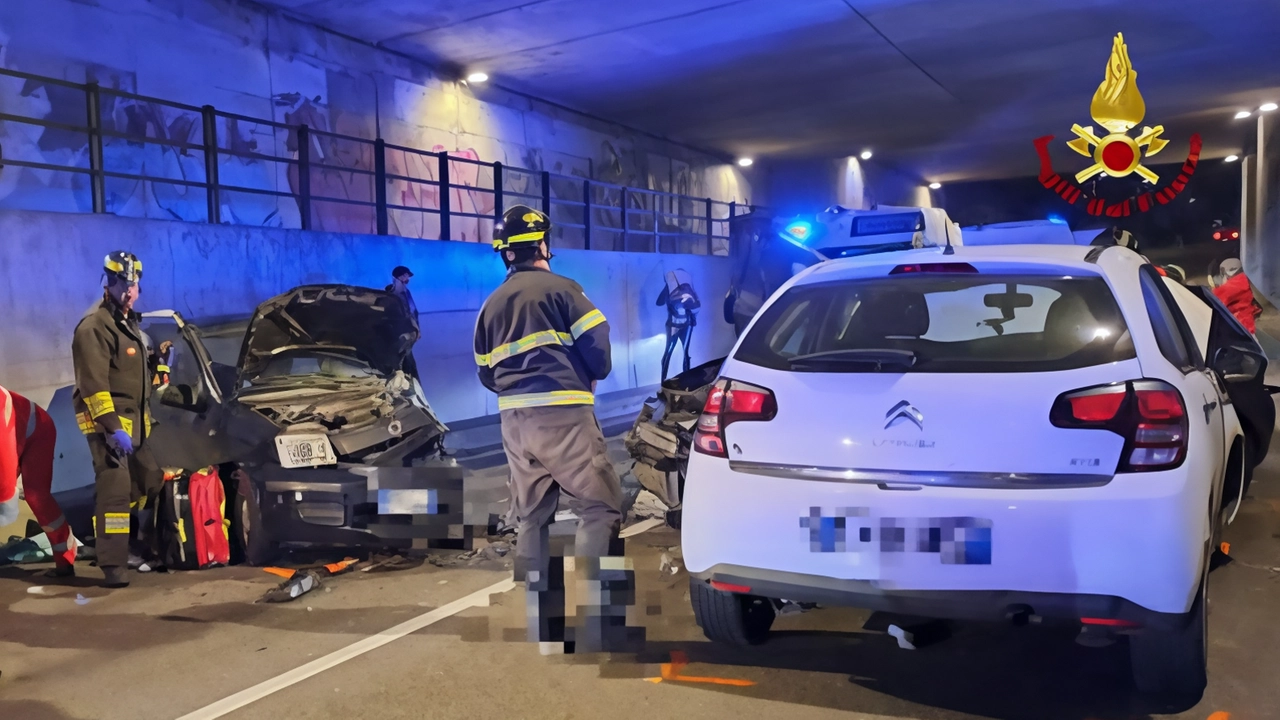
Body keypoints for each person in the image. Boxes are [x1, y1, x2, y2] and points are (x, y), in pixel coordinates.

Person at [473, 204, 628, 654]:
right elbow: (597, 342)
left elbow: (485, 371)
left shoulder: (490, 306)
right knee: (599, 509)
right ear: (543, 244)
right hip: (564, 413)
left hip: (516, 424)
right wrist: (589, 373)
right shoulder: (563, 289)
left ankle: (546, 632)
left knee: (532, 518)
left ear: (504, 253)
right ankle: (603, 629)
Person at [72, 251, 163, 588]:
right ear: (108, 282)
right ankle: (113, 566)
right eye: (122, 282)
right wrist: (111, 429)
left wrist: (160, 363)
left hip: (135, 423)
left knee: (150, 478)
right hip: (106, 424)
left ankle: (133, 546)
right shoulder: (94, 326)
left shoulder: (129, 323)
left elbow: (137, 374)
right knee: (115, 492)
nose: (128, 289)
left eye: (133, 283)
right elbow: (93, 386)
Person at [0, 386, 77, 576]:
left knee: (37, 497)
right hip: (18, 433)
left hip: (37, 432)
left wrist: (6, 502)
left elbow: (4, 459)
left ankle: (65, 558)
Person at [657, 270, 700, 380]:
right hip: (685, 324)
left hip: (675, 324)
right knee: (683, 353)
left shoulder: (672, 288)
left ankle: (664, 383)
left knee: (669, 353)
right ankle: (687, 383)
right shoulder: (688, 287)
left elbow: (659, 302)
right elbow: (696, 305)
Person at [387, 265, 420, 379]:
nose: (408, 278)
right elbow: (410, 312)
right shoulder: (398, 292)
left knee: (407, 360)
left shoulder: (397, 291)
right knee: (406, 362)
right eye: (406, 276)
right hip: (404, 332)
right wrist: (416, 329)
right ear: (401, 276)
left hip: (405, 332)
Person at [1213, 257, 1262, 335]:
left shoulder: (1236, 284)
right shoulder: (1248, 281)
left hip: (1240, 330)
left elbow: (1213, 300)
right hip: (1244, 328)